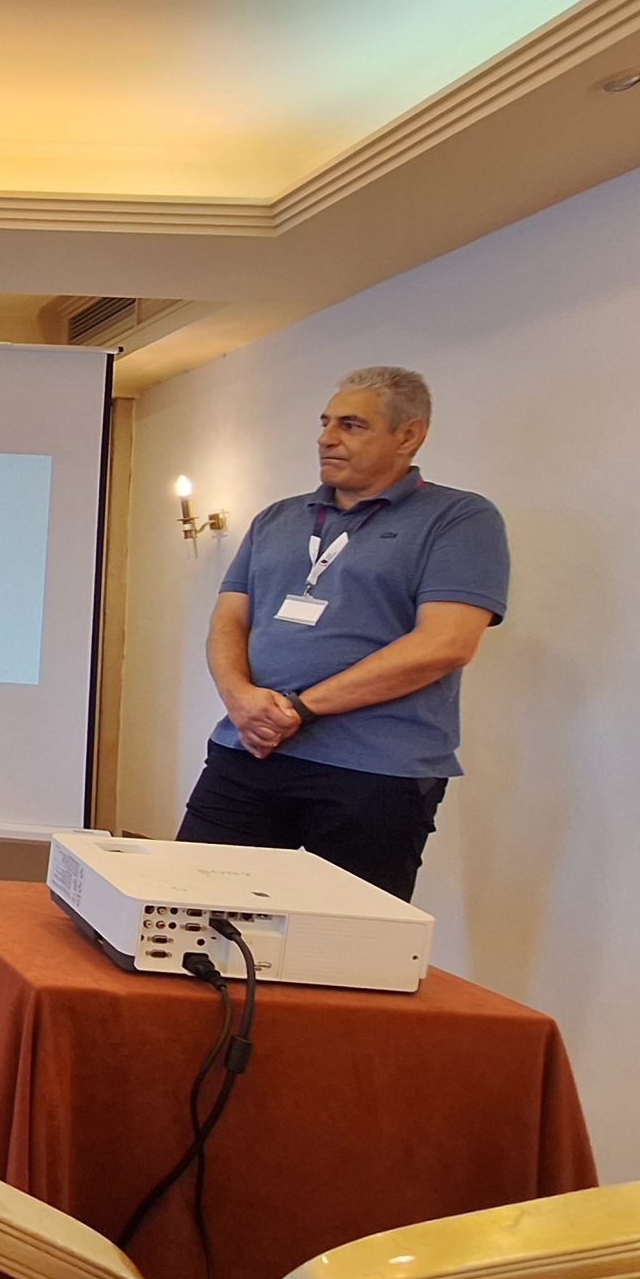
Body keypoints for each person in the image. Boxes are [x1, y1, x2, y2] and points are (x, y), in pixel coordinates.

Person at [175, 367, 508, 901]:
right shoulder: (277, 519)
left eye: (351, 425)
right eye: (326, 423)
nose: (327, 438)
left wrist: (299, 709)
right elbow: (228, 621)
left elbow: (445, 644)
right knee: (193, 911)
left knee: (347, 937)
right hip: (249, 752)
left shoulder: (458, 518)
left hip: (373, 769)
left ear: (408, 435)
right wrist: (240, 700)